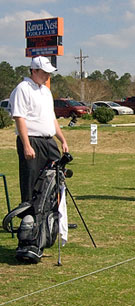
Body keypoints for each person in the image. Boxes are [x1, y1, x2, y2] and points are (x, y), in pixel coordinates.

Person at [10, 56, 69, 202]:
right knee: (31, 179)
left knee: (56, 175)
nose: (48, 76)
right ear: (34, 71)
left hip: (48, 141)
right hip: (32, 140)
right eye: (44, 73)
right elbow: (19, 118)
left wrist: (62, 140)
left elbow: (52, 118)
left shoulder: (46, 92)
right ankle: (29, 217)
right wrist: (27, 145)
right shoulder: (23, 89)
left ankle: (53, 215)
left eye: (49, 73)